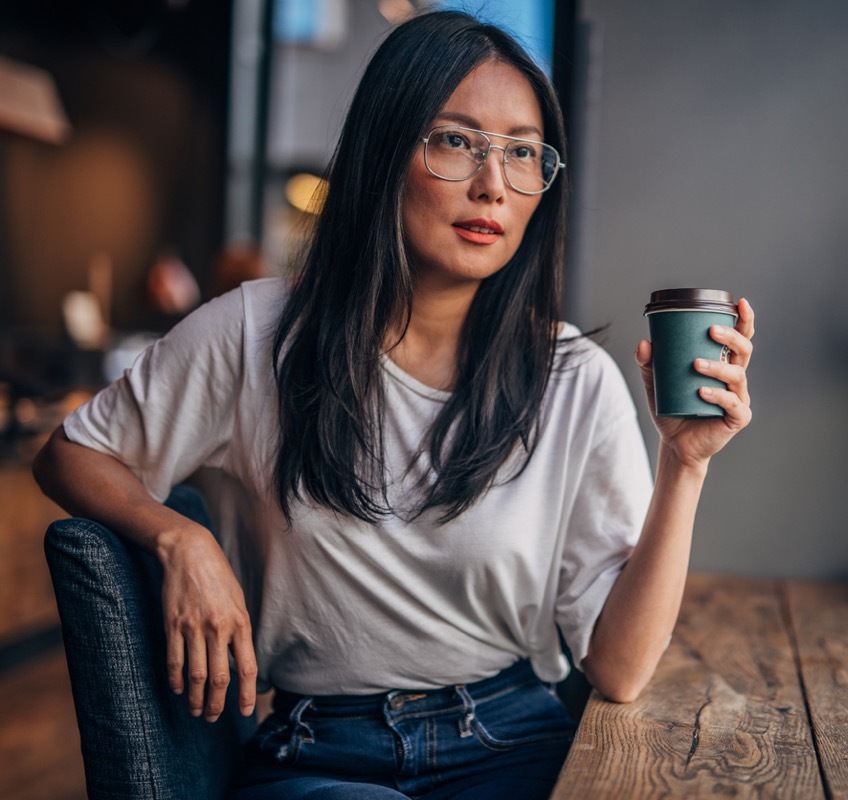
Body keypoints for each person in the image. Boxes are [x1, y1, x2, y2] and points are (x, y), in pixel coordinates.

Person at [33, 10, 755, 799]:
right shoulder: (254, 334)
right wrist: (177, 538)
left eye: (522, 153)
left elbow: (617, 668)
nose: (493, 184)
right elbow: (70, 452)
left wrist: (684, 464)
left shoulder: (571, 376)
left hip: (511, 741)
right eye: (456, 141)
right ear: (386, 150)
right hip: (319, 757)